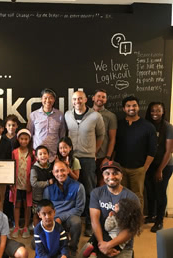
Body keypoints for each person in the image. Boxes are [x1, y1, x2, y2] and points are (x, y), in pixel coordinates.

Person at [65, 90, 105, 236]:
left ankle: (89, 223)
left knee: (89, 191)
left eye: (80, 98)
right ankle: (70, 223)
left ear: (86, 99)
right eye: (75, 99)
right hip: (71, 158)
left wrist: (94, 151)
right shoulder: (67, 115)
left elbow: (101, 135)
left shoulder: (95, 116)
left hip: (88, 159)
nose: (77, 101)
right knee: (71, 191)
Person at [84, 160, 141, 258]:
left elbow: (131, 229)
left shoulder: (132, 198)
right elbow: (94, 221)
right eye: (107, 173)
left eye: (115, 173)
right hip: (101, 239)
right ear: (103, 175)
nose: (111, 177)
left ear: (121, 175)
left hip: (122, 244)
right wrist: (102, 244)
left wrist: (109, 245)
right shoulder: (96, 193)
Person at [114, 95, 157, 212]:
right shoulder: (119, 125)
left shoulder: (148, 126)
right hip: (120, 168)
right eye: (128, 106)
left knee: (137, 197)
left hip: (138, 169)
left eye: (134, 105)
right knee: (121, 196)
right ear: (124, 109)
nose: (131, 108)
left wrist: (145, 167)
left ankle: (136, 224)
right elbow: (114, 145)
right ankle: (124, 222)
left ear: (138, 108)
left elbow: (152, 150)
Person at [43, 160, 85, 257]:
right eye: (57, 171)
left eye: (62, 170)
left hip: (70, 217)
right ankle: (59, 246)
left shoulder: (78, 187)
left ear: (68, 171)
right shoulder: (48, 189)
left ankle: (72, 249)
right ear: (53, 173)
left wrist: (60, 218)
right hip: (54, 218)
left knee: (77, 222)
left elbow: (79, 209)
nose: (60, 174)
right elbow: (46, 210)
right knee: (34, 243)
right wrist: (53, 220)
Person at [144, 102, 173, 232]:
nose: (155, 113)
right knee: (150, 191)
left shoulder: (168, 127)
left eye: (158, 111)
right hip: (150, 164)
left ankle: (159, 220)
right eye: (152, 111)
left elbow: (168, 151)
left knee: (160, 192)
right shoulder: (147, 125)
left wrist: (160, 170)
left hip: (164, 165)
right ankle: (151, 215)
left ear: (163, 111)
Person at [27, 88, 66, 163]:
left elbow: (62, 135)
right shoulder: (33, 115)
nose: (48, 100)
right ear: (41, 99)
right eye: (45, 98)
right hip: (38, 155)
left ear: (54, 100)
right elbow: (29, 135)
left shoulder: (60, 115)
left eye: (51, 98)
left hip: (54, 155)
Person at [9, 128, 35, 239]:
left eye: (26, 139)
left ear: (29, 140)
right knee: (17, 205)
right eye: (22, 139)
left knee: (27, 205)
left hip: (28, 184)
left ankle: (25, 227)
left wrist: (31, 183)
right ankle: (16, 226)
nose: (24, 141)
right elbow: (10, 167)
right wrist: (11, 183)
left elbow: (34, 169)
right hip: (17, 184)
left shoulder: (32, 153)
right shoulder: (14, 152)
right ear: (18, 139)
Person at [92, 89, 117, 186]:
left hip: (102, 157)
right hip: (88, 156)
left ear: (106, 100)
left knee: (102, 184)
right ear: (93, 98)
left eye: (103, 97)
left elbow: (112, 138)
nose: (100, 99)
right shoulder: (87, 113)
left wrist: (107, 157)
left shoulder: (111, 116)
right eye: (98, 96)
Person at [30, 145, 54, 227]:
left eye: (45, 153)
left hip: (48, 195)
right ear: (36, 157)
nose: (43, 155)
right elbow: (34, 183)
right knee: (37, 214)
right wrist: (47, 183)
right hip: (37, 196)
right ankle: (36, 231)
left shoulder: (51, 166)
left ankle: (46, 229)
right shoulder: (34, 168)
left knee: (47, 213)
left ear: (48, 155)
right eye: (40, 154)